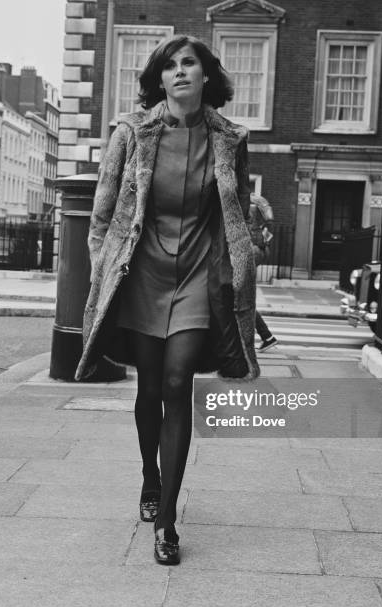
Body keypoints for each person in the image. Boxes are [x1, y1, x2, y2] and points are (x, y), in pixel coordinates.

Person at [75, 34, 260, 565]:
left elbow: (235, 215)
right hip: (143, 273)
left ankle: (168, 520)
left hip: (198, 274)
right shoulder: (132, 132)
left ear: (207, 76)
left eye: (190, 64)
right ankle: (149, 477)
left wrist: (240, 275)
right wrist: (102, 272)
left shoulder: (229, 138)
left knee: (179, 383)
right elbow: (103, 214)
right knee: (150, 385)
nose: (180, 72)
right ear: (159, 79)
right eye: (170, 66)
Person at [249, 193, 278, 352]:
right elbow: (270, 222)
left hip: (249, 251)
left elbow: (270, 223)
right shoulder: (258, 200)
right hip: (254, 250)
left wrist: (261, 241)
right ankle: (266, 336)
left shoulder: (247, 200)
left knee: (238, 298)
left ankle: (266, 336)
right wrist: (264, 241)